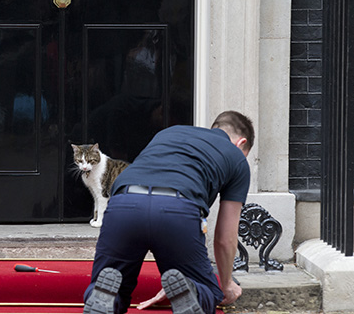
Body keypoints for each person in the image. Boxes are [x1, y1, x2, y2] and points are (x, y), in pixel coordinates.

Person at [82, 111, 254, 314]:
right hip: (177, 210)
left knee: (112, 282)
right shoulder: (236, 158)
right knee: (208, 291)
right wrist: (226, 284)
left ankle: (107, 298)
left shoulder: (169, 133)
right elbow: (226, 237)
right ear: (241, 142)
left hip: (123, 203)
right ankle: (195, 292)